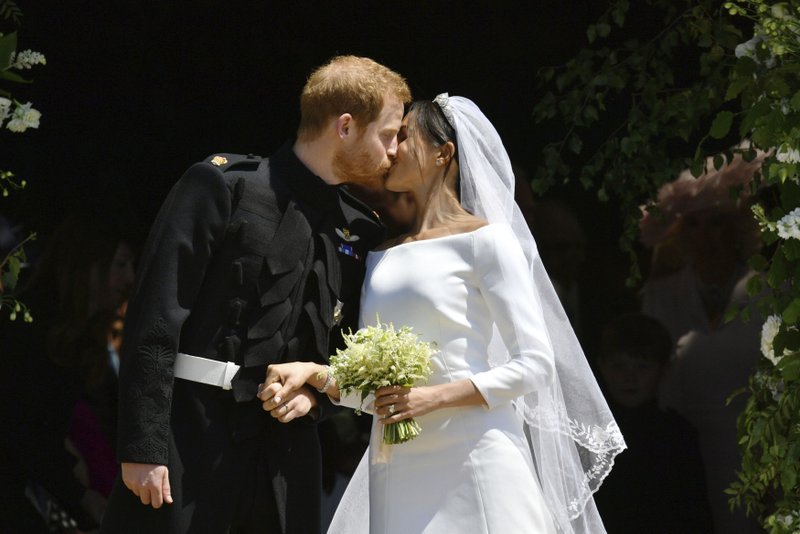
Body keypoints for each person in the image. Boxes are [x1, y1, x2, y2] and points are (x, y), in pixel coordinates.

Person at [259, 94, 625, 534]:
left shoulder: (487, 242)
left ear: (442, 153)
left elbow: (534, 365)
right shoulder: (379, 254)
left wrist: (430, 398)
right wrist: (316, 374)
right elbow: (383, 394)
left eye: (404, 137)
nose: (391, 150)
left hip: (476, 456)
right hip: (396, 467)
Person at [99, 56, 411, 534]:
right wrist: (142, 448)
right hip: (189, 439)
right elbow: (156, 316)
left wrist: (316, 400)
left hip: (288, 461)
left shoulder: (360, 229)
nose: (395, 150)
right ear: (345, 126)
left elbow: (346, 352)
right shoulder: (223, 186)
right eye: (388, 134)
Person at [638, 149, 766, 533]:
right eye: (693, 225)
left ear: (736, 229)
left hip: (756, 445)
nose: (705, 237)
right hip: (685, 449)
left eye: (716, 224)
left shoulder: (768, 288)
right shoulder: (661, 295)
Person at [0, 209, 137, 533]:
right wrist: (81, 495)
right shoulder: (28, 330)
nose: (130, 279)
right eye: (120, 264)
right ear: (87, 265)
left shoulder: (78, 339)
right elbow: (21, 434)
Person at [592, 312, 713, 533]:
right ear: (602, 366)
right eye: (619, 366)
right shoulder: (590, 434)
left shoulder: (677, 435)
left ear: (663, 369)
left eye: (642, 367)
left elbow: (695, 513)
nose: (630, 377)